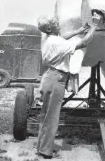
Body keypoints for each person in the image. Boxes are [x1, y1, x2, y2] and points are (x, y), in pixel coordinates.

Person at [36, 15, 101, 159]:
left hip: (50, 77)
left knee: (45, 115)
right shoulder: (56, 43)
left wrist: (78, 30)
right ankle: (46, 151)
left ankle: (41, 146)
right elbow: (83, 43)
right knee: (52, 117)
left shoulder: (49, 38)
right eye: (54, 23)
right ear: (49, 28)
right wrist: (95, 26)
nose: (58, 23)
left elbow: (63, 37)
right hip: (56, 79)